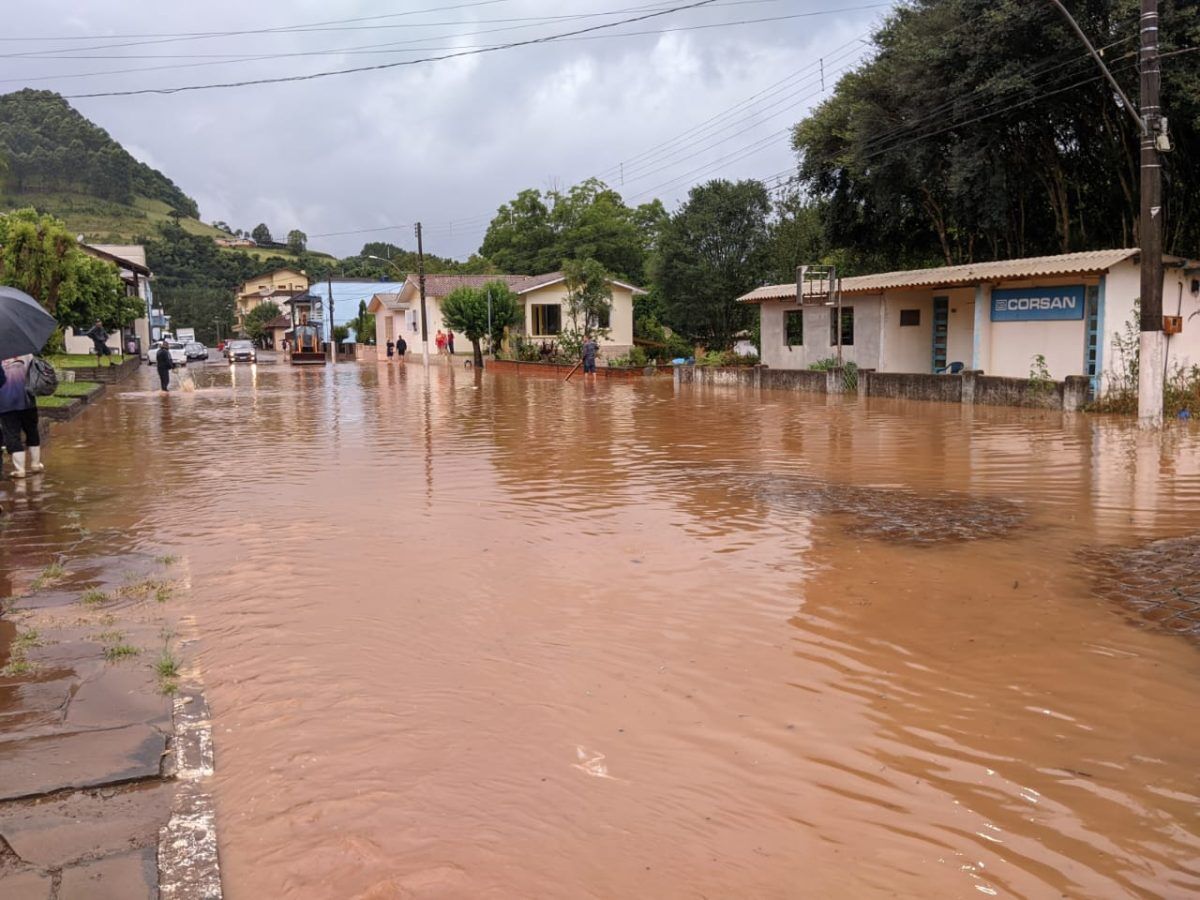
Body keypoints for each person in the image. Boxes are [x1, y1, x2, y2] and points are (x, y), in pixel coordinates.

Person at [0, 355, 43, 478]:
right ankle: (35, 464)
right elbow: (35, 372)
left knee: (12, 434)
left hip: (5, 403)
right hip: (27, 399)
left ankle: (20, 470)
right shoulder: (27, 353)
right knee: (32, 431)